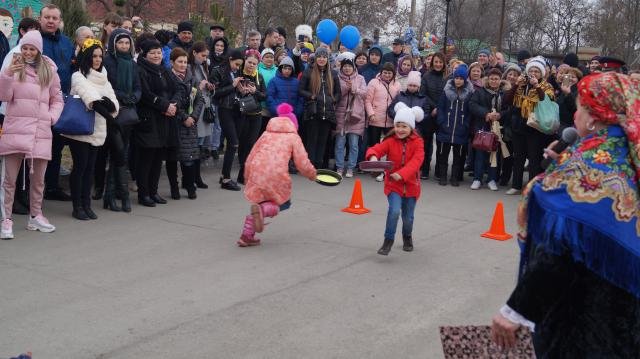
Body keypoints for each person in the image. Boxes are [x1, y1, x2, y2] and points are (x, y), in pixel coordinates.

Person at [491, 72, 640, 357]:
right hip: (626, 319)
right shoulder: (628, 154)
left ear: (597, 116)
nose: (575, 115)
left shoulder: (591, 170)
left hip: (583, 319)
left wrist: (517, 310)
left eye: (581, 107)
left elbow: (559, 251)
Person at [0, 30, 63, 239]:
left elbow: (57, 99)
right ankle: (6, 219)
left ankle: (35, 215)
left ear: (38, 50)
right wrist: (7, 74)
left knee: (38, 180)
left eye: (32, 48)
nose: (27, 52)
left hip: (40, 131)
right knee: (9, 180)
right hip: (15, 130)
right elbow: (4, 96)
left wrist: (51, 117)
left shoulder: (50, 70)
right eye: (25, 48)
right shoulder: (13, 68)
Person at [237, 103, 316, 247]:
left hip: (257, 172)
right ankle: (261, 211)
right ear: (294, 124)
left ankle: (246, 236)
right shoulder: (293, 137)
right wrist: (312, 174)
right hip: (276, 175)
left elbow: (251, 155)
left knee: (262, 201)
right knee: (284, 203)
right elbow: (302, 162)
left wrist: (247, 176)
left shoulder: (265, 134)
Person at [65, 38, 119, 220]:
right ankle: (77, 206)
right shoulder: (78, 75)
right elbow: (92, 100)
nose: (97, 60)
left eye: (100, 56)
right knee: (80, 167)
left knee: (90, 168)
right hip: (80, 128)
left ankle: (86, 204)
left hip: (98, 128)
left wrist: (111, 106)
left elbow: (113, 102)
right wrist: (110, 114)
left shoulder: (104, 77)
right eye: (94, 56)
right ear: (87, 56)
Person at [365, 103, 424, 255]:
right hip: (393, 186)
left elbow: (416, 162)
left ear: (411, 127)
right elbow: (376, 149)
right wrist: (372, 157)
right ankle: (388, 241)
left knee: (408, 218)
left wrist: (402, 174)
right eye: (397, 125)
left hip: (411, 186)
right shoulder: (390, 141)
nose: (400, 129)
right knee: (394, 211)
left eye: (404, 126)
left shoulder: (418, 142)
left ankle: (407, 237)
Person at [134, 39, 180, 206]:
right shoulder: (140, 70)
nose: (156, 55)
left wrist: (174, 104)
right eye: (152, 53)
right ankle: (143, 193)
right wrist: (165, 105)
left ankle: (154, 192)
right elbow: (145, 94)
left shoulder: (165, 70)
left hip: (165, 120)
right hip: (149, 120)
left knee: (158, 158)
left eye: (158, 52)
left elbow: (177, 89)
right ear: (145, 54)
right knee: (147, 159)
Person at [102, 28, 141, 212]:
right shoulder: (108, 61)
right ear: (113, 44)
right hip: (113, 113)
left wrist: (134, 97)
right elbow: (106, 84)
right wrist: (121, 96)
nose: (124, 46)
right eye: (120, 42)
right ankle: (122, 195)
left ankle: (110, 196)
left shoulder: (132, 64)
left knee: (122, 153)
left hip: (129, 114)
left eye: (127, 43)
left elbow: (138, 86)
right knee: (117, 153)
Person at [506, 56, 555, 195]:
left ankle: (531, 187)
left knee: (534, 158)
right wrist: (516, 85)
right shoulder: (521, 84)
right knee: (518, 157)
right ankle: (515, 185)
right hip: (519, 126)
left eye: (537, 71)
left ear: (541, 73)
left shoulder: (546, 86)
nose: (533, 73)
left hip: (535, 127)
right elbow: (507, 100)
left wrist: (537, 86)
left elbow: (545, 100)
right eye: (531, 71)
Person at [40, 4, 74, 201]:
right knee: (37, 148)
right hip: (38, 101)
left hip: (61, 102)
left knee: (56, 147)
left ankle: (52, 187)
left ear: (59, 20)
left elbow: (72, 67)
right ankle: (30, 191)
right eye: (47, 17)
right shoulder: (33, 41)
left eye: (54, 18)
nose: (51, 21)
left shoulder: (67, 42)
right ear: (41, 19)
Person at [169, 47, 204, 199]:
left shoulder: (192, 79)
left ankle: (190, 187)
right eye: (179, 62)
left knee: (188, 158)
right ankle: (174, 188)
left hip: (190, 125)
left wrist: (193, 117)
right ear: (172, 62)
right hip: (174, 122)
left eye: (185, 62)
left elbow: (199, 100)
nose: (183, 65)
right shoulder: (168, 78)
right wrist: (184, 117)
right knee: (172, 158)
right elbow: (172, 102)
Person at [298, 47, 341, 169]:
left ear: (327, 59)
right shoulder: (309, 72)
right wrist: (311, 96)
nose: (322, 59)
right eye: (319, 57)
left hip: (327, 112)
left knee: (323, 140)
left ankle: (319, 164)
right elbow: (300, 90)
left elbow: (338, 92)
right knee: (312, 140)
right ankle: (310, 165)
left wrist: (333, 99)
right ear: (315, 58)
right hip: (313, 111)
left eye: (324, 57)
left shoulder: (333, 73)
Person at [469, 68, 511, 191]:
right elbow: (472, 105)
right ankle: (477, 178)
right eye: (491, 78)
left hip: (497, 128)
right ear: (488, 79)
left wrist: (500, 115)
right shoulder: (480, 92)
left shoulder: (504, 94)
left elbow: (508, 109)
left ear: (500, 80)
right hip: (482, 127)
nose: (494, 81)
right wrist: (486, 114)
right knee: (480, 154)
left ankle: (491, 179)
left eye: (496, 79)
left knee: (495, 155)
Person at [435, 64, 474, 187]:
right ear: (453, 78)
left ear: (465, 80)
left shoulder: (469, 94)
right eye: (456, 78)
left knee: (458, 157)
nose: (458, 80)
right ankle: (442, 176)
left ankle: (454, 177)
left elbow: (470, 112)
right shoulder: (446, 92)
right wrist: (441, 122)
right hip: (445, 128)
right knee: (443, 155)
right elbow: (440, 107)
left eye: (461, 78)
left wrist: (466, 125)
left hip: (460, 130)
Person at [211, 49, 244, 190]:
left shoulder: (235, 71)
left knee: (234, 143)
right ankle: (226, 179)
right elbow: (215, 93)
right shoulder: (217, 70)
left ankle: (225, 175)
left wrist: (242, 89)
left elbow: (234, 88)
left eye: (239, 65)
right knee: (233, 143)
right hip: (224, 109)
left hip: (236, 109)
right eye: (236, 64)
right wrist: (233, 86)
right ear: (230, 59)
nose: (237, 67)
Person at [236, 49, 266, 185]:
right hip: (241, 114)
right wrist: (241, 91)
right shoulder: (238, 74)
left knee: (251, 144)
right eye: (249, 62)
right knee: (242, 144)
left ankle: (246, 173)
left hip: (256, 115)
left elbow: (264, 96)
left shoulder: (259, 77)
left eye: (254, 63)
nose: (251, 65)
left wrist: (255, 91)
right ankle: (242, 172)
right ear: (245, 61)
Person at [188, 41, 216, 182]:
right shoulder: (188, 67)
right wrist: (200, 86)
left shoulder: (203, 67)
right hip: (195, 109)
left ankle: (197, 177)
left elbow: (206, 88)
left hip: (205, 107)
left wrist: (210, 87)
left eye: (206, 56)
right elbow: (188, 90)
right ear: (194, 53)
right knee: (194, 145)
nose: (205, 58)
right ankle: (192, 177)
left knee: (200, 145)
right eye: (203, 55)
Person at [334, 58, 366, 177]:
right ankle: (339, 167)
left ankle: (351, 168)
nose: (347, 68)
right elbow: (335, 93)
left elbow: (364, 93)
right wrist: (345, 88)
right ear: (341, 67)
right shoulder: (337, 78)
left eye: (349, 66)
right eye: (345, 66)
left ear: (354, 67)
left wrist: (354, 89)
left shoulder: (360, 78)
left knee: (353, 144)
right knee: (340, 143)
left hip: (356, 116)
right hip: (340, 115)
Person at [419, 52, 446, 179]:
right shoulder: (426, 76)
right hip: (429, 114)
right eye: (436, 61)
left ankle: (439, 171)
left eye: (440, 62)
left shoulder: (447, 77)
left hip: (442, 114)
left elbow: (447, 95)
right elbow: (423, 94)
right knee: (426, 143)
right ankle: (424, 170)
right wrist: (433, 107)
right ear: (432, 62)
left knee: (441, 144)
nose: (438, 64)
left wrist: (439, 108)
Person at [557, 67, 582, 133]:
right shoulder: (562, 89)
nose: (570, 79)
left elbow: (576, 108)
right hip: (559, 124)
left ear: (578, 79)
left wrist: (568, 94)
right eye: (568, 76)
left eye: (573, 77)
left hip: (570, 127)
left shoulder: (579, 91)